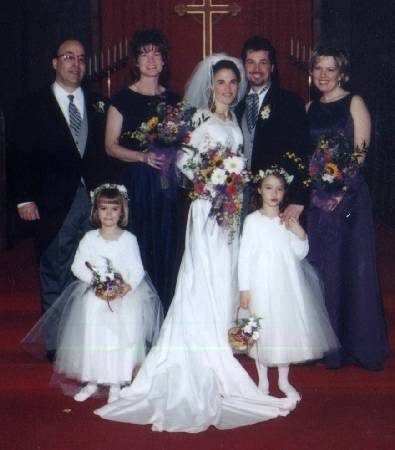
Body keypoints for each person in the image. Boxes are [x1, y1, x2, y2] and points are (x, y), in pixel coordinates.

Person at [94, 54, 297, 433]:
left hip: (230, 213)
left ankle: (221, 342)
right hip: (208, 212)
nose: (227, 88)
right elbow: (184, 164)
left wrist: (230, 184)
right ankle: (203, 353)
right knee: (204, 276)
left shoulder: (232, 119)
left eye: (232, 83)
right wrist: (213, 182)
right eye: (220, 82)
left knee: (225, 277)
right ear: (210, 86)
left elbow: (234, 161)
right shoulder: (201, 119)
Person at [23, 184, 162, 403]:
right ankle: (92, 380)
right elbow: (77, 267)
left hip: (122, 299)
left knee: (120, 340)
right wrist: (96, 282)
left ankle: (116, 381)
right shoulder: (89, 238)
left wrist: (126, 286)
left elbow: (136, 269)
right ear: (95, 212)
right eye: (104, 209)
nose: (108, 214)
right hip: (95, 298)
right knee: (94, 338)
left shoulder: (129, 239)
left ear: (122, 212)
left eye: (114, 209)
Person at [11, 39, 111, 325]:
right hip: (51, 202)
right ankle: (57, 340)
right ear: (55, 63)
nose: (75, 64)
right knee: (55, 268)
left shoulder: (99, 103)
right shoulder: (32, 105)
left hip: (93, 201)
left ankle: (86, 334)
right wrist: (23, 198)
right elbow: (18, 154)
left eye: (81, 58)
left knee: (92, 267)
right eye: (68, 57)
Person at [306, 46, 389, 370]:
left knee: (350, 266)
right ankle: (326, 346)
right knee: (321, 268)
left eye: (330, 69)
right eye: (318, 70)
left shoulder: (355, 103)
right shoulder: (309, 106)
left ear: (341, 73)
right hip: (317, 199)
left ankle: (354, 344)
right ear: (311, 73)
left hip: (349, 198)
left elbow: (360, 153)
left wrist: (340, 189)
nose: (324, 76)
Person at [238, 168, 339, 401]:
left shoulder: (288, 220)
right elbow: (244, 256)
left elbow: (300, 253)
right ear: (259, 190)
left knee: (283, 330)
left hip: (286, 285)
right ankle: (262, 381)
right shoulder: (252, 221)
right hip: (260, 284)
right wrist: (244, 288)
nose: (274, 193)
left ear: (285, 193)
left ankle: (283, 380)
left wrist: (300, 233)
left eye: (279, 189)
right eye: (268, 187)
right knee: (260, 332)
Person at [105, 29, 186, 313]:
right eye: (144, 54)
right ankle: (140, 319)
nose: (151, 59)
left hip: (170, 186)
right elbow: (110, 146)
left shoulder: (175, 100)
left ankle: (166, 315)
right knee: (141, 247)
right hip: (138, 184)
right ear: (136, 62)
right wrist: (142, 156)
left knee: (170, 248)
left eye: (156, 53)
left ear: (164, 61)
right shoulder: (122, 98)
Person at [236, 36, 309, 223]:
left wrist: (299, 199)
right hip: (240, 197)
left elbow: (302, 153)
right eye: (251, 62)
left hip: (278, 199)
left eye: (263, 62)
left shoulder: (290, 102)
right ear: (244, 67)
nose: (257, 69)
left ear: (272, 67)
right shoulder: (234, 104)